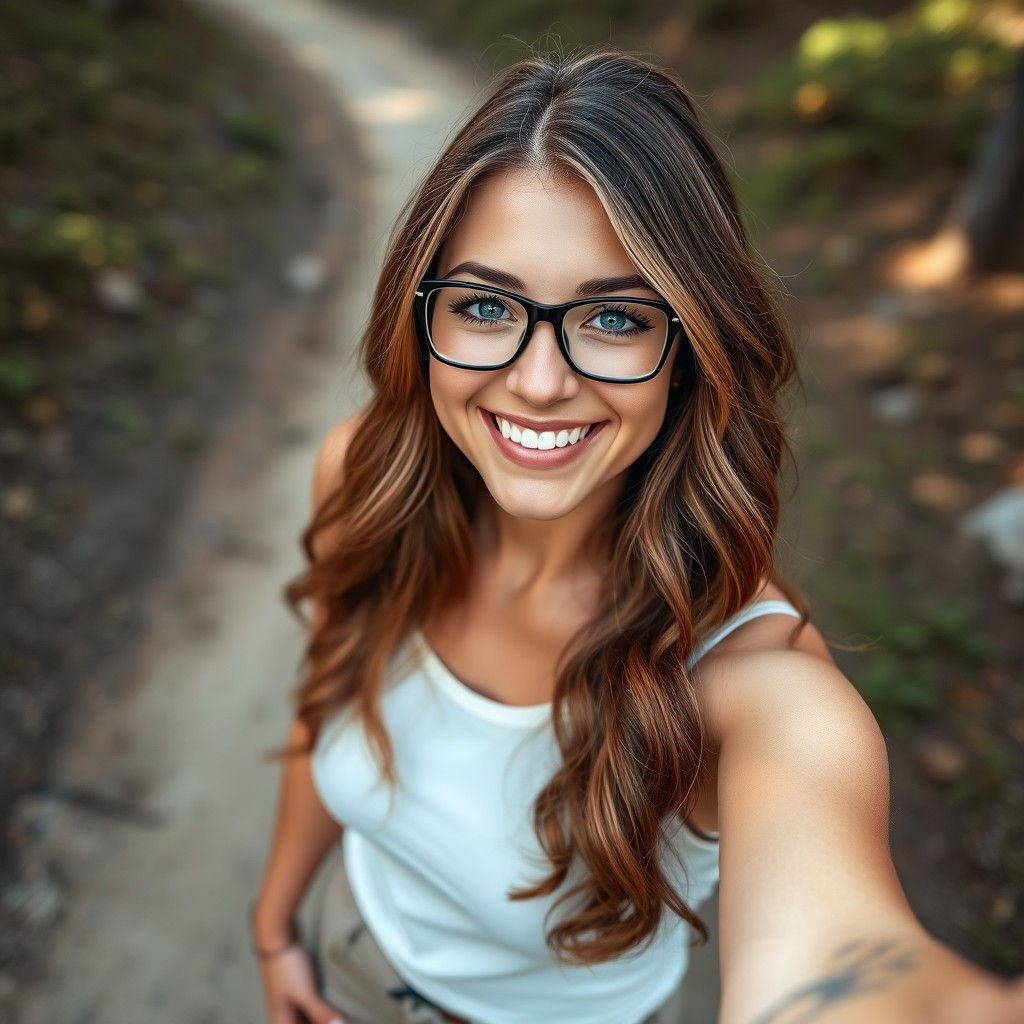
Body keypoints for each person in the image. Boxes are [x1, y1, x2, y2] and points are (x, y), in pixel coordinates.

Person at [249, 48, 1024, 1024]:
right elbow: (322, 705)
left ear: (691, 348)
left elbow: (841, 960)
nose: (538, 382)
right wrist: (277, 928)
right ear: (422, 313)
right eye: (486, 306)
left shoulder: (751, 683)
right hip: (344, 964)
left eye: (612, 317)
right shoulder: (360, 477)